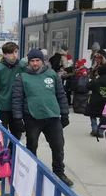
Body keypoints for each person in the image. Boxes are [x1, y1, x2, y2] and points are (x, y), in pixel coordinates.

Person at [11, 49, 73, 187]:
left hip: (52, 116)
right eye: (32, 61)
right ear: (28, 62)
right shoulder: (22, 77)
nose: (35, 63)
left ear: (42, 61)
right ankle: (31, 172)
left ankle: (59, 172)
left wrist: (64, 114)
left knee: (58, 146)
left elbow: (61, 95)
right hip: (32, 117)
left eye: (37, 60)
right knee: (32, 145)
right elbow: (17, 100)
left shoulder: (52, 75)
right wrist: (17, 118)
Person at [0, 43, 25, 139]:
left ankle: (11, 152)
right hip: (2, 106)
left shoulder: (23, 66)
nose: (14, 55)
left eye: (16, 52)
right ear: (5, 55)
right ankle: (3, 153)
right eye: (11, 53)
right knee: (2, 134)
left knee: (17, 134)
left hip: (17, 106)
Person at [85, 65, 106, 138]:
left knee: (92, 114)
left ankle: (94, 128)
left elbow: (88, 86)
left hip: (95, 101)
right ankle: (101, 131)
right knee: (105, 117)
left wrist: (93, 79)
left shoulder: (96, 81)